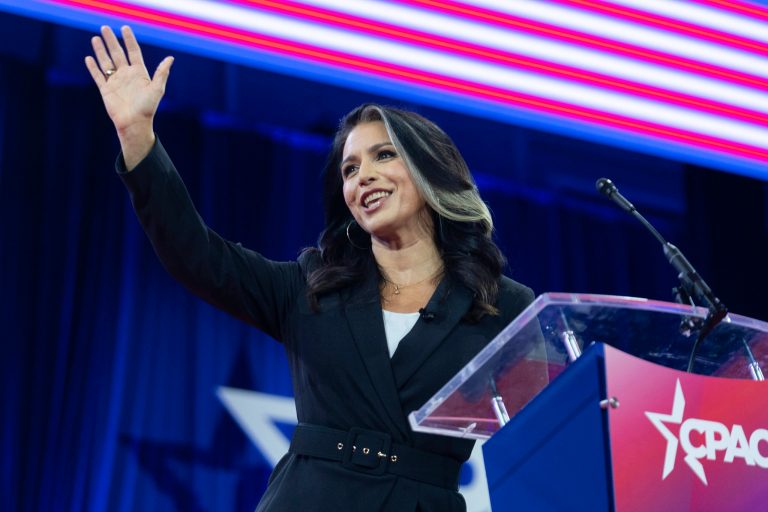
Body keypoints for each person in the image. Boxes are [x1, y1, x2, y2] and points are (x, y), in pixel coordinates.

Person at [86, 25, 534, 511]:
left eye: (384, 155)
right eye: (350, 169)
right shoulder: (311, 285)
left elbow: (552, 436)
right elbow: (197, 254)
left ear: (432, 170)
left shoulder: (502, 303)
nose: (364, 176)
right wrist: (138, 137)